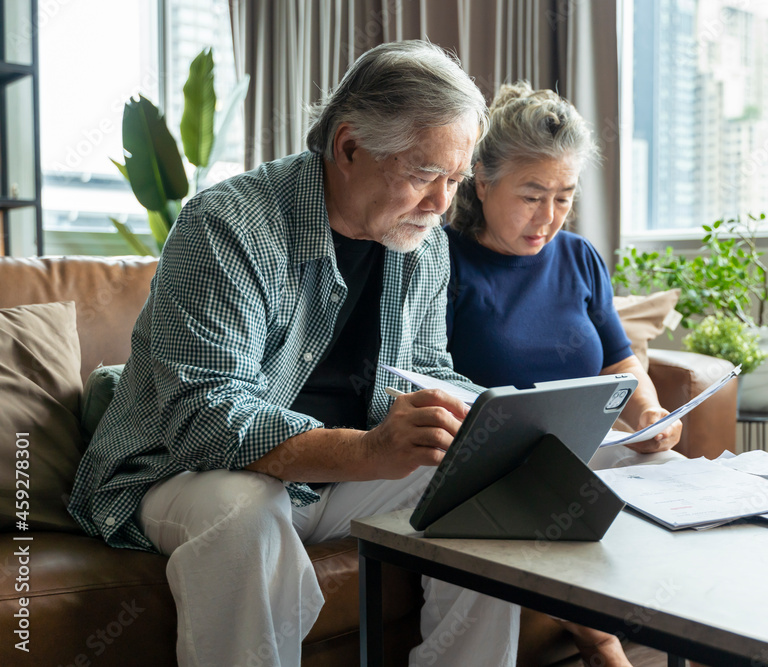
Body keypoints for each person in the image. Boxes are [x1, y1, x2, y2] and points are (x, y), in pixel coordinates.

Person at [69, 41, 521, 667]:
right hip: (178, 472)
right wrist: (367, 451)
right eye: (424, 174)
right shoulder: (226, 224)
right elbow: (206, 417)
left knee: (482, 483)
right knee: (247, 511)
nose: (442, 203)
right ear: (348, 146)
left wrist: (488, 420)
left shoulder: (422, 242)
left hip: (331, 477)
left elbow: (427, 368)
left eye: (455, 179)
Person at [445, 82, 684, 666]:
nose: (548, 217)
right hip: (493, 460)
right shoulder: (440, 260)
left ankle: (694, 644)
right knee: (553, 494)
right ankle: (602, 643)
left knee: (671, 474)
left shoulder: (579, 257)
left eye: (563, 197)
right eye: (532, 196)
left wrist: (649, 412)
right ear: (482, 181)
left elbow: (620, 361)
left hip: (580, 444)